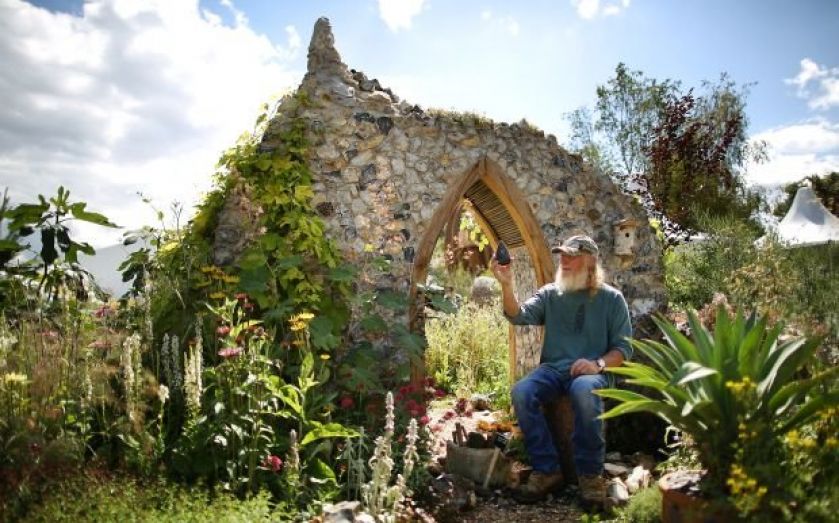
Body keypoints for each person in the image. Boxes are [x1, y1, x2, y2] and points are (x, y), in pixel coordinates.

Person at [490, 234, 632, 506]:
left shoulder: (612, 299)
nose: (563, 261)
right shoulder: (550, 294)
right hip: (553, 370)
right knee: (522, 391)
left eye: (571, 256)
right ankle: (547, 469)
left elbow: (623, 350)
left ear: (590, 261)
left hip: (594, 374)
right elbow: (517, 315)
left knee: (583, 389)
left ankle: (590, 475)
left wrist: (597, 364)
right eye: (562, 255)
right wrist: (506, 284)